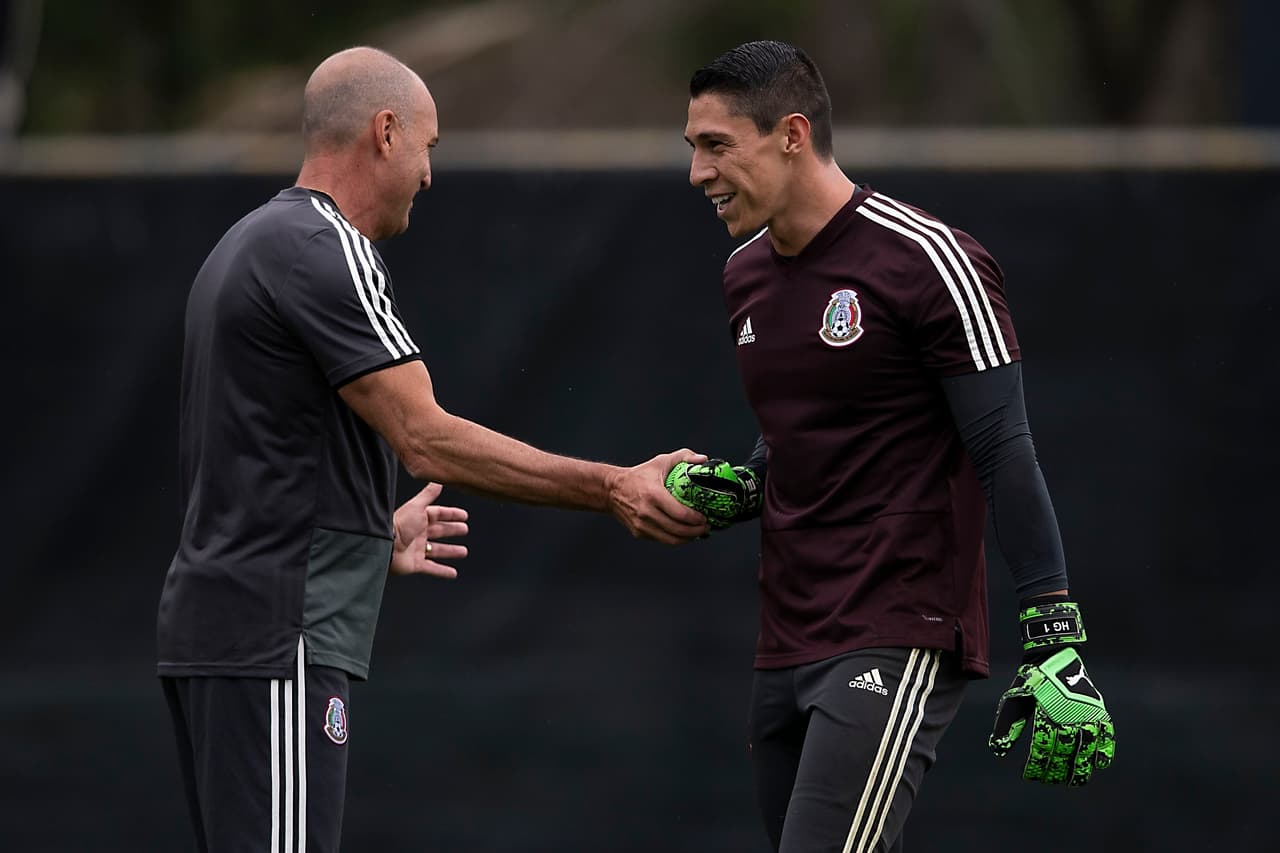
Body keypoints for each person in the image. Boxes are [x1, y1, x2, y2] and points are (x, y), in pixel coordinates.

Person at [155, 46, 708, 853]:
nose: (428, 174)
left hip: (233, 634)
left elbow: (258, 475)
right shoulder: (322, 248)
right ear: (385, 132)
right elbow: (426, 437)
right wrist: (614, 485)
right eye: (428, 146)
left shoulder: (250, 243)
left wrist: (372, 538)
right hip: (276, 642)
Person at [667, 40, 1115, 853]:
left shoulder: (930, 261)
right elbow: (806, 432)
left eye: (716, 146)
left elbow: (1003, 446)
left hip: (898, 625)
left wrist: (1056, 633)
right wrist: (746, 483)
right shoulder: (745, 274)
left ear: (792, 134)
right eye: (693, 148)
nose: (698, 173)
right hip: (787, 635)